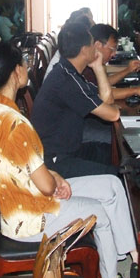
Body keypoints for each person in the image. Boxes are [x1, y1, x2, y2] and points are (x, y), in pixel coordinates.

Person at [0, 42, 138, 278]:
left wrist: (56, 177)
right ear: (16, 72)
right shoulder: (14, 123)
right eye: (24, 64)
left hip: (24, 193)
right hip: (29, 216)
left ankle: (134, 256)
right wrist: (54, 181)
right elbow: (46, 186)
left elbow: (25, 168)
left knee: (111, 185)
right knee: (99, 212)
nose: (27, 68)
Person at [32, 23, 120, 177]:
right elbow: (113, 114)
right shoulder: (66, 80)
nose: (96, 49)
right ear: (84, 50)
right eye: (92, 44)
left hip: (71, 149)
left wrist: (98, 67)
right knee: (117, 175)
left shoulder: (68, 71)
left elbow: (106, 99)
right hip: (55, 162)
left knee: (115, 154)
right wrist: (115, 108)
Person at [87, 24, 140, 100]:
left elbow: (105, 83)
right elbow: (102, 94)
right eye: (112, 49)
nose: (114, 54)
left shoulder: (93, 63)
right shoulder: (86, 67)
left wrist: (128, 70)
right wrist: (136, 90)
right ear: (98, 45)